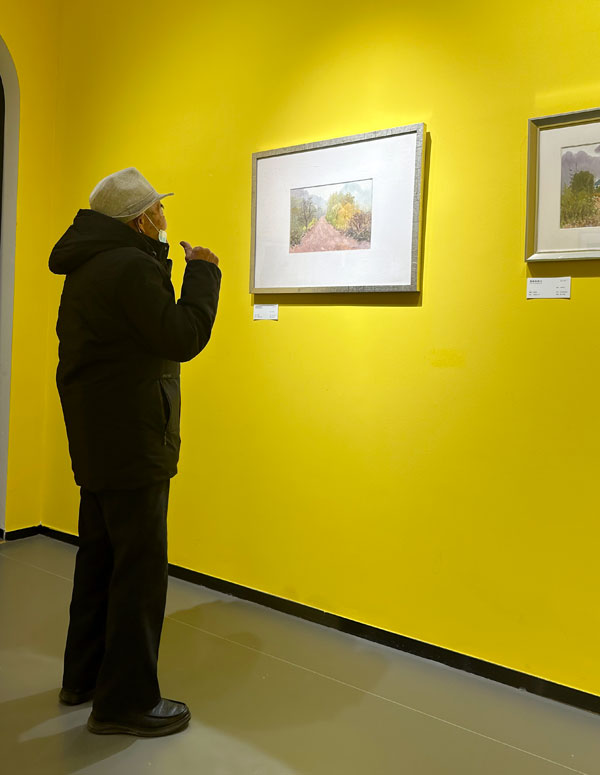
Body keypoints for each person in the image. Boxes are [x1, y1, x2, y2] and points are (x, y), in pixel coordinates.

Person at [49, 167, 221, 737]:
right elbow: (181, 336)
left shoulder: (93, 265)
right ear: (142, 219)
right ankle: (125, 701)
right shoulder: (129, 267)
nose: (165, 220)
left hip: (99, 439)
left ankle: (85, 678)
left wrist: (163, 265)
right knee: (139, 571)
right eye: (159, 211)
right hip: (135, 440)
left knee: (99, 558)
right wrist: (202, 274)